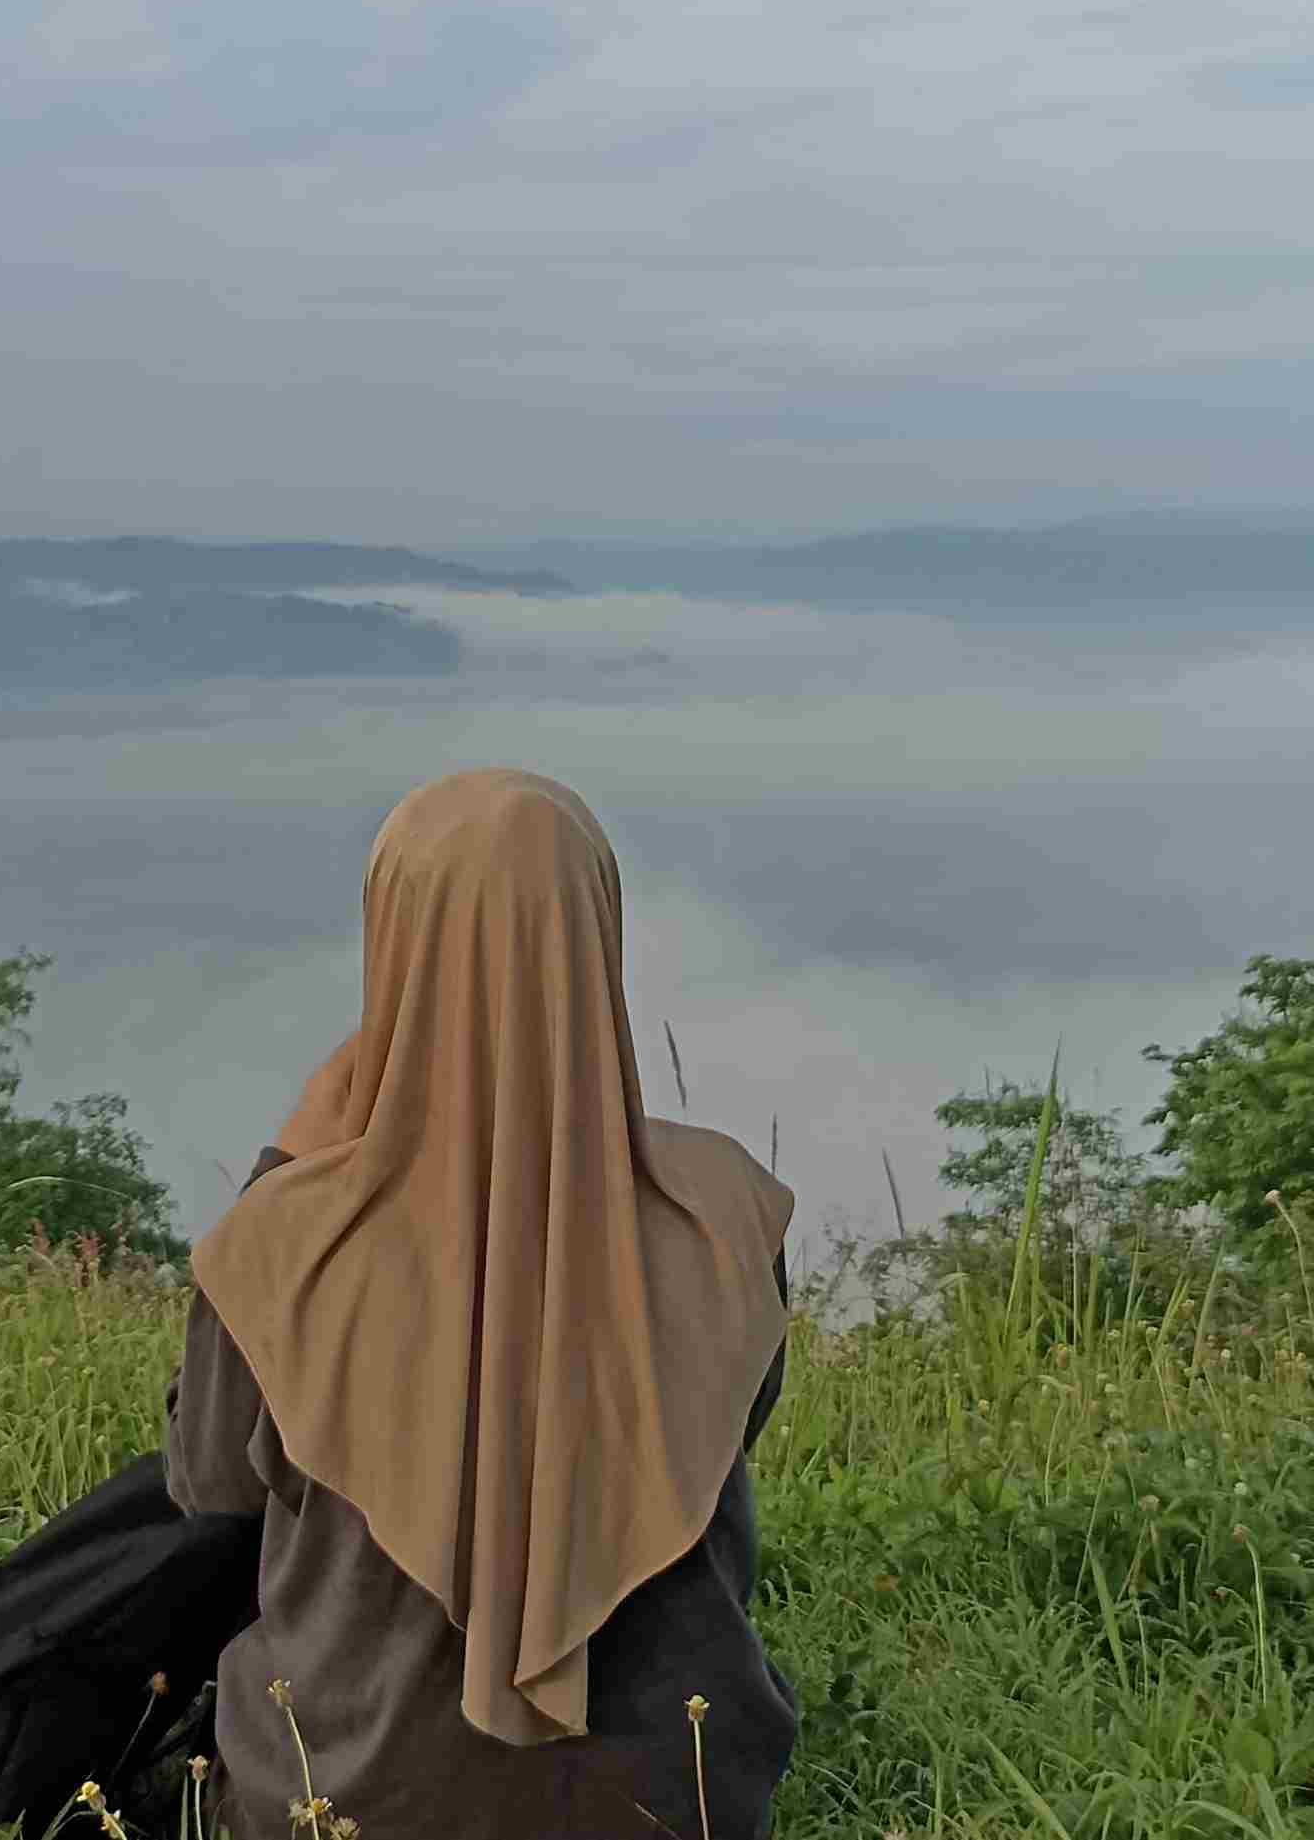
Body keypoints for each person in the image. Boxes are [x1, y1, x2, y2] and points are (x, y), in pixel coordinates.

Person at [166, 768, 801, 1840]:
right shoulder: (729, 1214)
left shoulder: (281, 1235)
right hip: (675, 1798)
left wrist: (289, 1168)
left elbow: (212, 1483)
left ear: (392, 930)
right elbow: (730, 1431)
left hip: (342, 1798)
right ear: (598, 928)